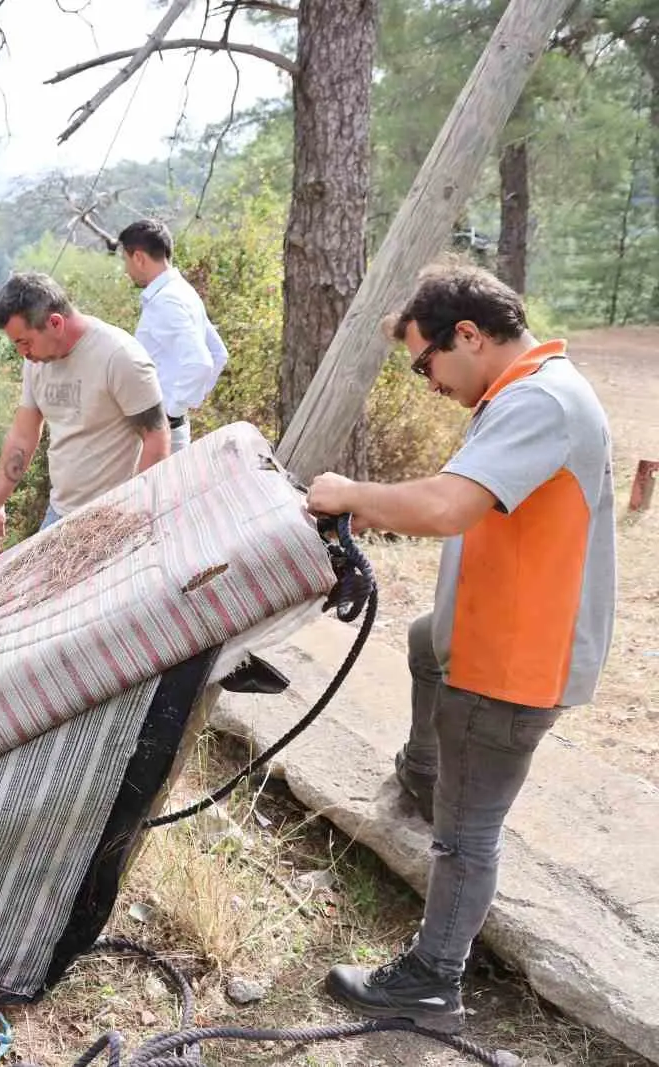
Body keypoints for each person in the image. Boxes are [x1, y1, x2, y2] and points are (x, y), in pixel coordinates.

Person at [306, 263, 615, 1033]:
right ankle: (422, 774)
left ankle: (432, 980)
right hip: (484, 637)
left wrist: (351, 496)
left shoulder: (540, 400)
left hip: (511, 664)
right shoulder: (524, 390)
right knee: (423, 640)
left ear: (469, 335)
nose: (427, 383)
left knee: (467, 834)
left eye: (425, 363)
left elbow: (448, 506)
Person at [0, 271, 170, 550]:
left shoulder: (119, 357)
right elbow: (23, 436)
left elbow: (156, 439)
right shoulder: (35, 363)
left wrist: (133, 516)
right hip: (59, 513)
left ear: (55, 323)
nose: (23, 353)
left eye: (25, 342)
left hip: (114, 516)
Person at [117, 219, 229, 452]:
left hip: (162, 431)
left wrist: (169, 413)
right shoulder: (182, 291)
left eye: (125, 261)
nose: (126, 270)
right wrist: (187, 402)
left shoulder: (166, 300)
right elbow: (219, 354)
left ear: (138, 258)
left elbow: (201, 362)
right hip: (171, 428)